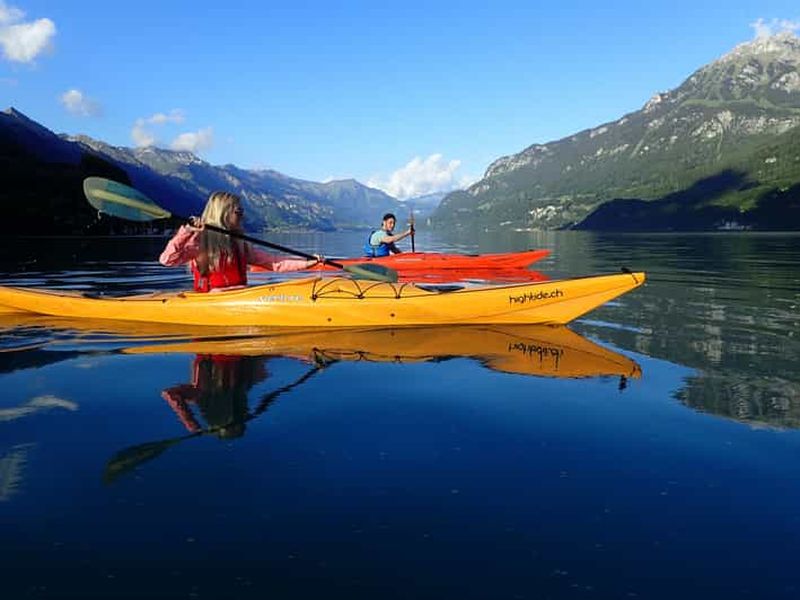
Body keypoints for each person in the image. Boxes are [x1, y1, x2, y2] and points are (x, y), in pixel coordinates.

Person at [159, 191, 321, 292]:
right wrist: (186, 232)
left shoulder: (240, 244)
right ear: (223, 213)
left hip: (241, 296)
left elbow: (274, 263)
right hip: (211, 301)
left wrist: (307, 263)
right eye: (239, 211)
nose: (242, 215)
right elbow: (167, 260)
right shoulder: (199, 242)